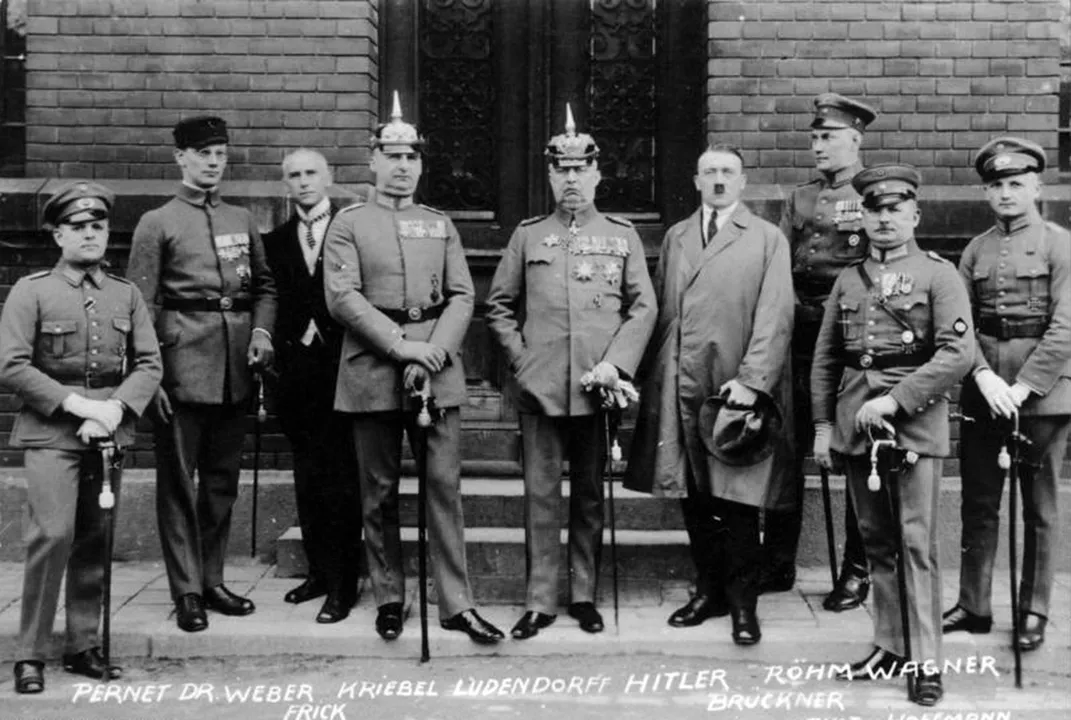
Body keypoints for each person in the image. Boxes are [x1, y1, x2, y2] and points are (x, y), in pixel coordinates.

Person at [323, 93, 503, 644]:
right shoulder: (348, 223)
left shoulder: (438, 223)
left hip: (437, 369)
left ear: (421, 164)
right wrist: (402, 347)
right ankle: (389, 597)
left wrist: (435, 352)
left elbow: (462, 296)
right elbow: (343, 298)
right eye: (392, 155)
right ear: (373, 161)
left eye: (412, 157)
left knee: (443, 488)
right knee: (377, 490)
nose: (402, 167)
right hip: (373, 367)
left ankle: (455, 602)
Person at [486, 105, 656, 640]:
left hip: (597, 389)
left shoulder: (622, 235)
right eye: (562, 170)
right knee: (540, 496)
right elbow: (499, 306)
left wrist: (616, 364)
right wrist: (522, 361)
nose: (572, 179)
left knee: (587, 495)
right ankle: (539, 600)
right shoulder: (529, 235)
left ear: (599, 174)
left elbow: (643, 308)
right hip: (540, 389)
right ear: (551, 175)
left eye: (582, 169)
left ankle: (583, 593)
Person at [811, 164, 975, 706]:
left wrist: (896, 399)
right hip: (858, 424)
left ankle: (926, 661)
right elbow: (827, 359)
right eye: (875, 210)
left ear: (914, 215)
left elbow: (958, 354)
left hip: (913, 424)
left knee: (915, 544)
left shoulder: (938, 275)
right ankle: (890, 645)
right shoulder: (848, 279)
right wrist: (822, 428)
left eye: (895, 210)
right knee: (877, 542)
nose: (884, 219)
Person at [624, 143, 793, 646]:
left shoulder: (766, 238)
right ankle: (709, 590)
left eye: (728, 172)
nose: (719, 180)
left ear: (742, 183)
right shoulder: (677, 236)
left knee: (738, 499)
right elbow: (659, 310)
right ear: (697, 182)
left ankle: (743, 602)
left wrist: (753, 381)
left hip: (732, 385)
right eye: (710, 172)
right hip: (682, 381)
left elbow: (776, 315)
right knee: (695, 495)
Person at [0, 182, 162, 693]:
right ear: (57, 234)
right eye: (78, 227)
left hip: (107, 432)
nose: (90, 236)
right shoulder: (32, 290)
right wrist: (78, 405)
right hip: (51, 432)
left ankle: (83, 645)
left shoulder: (126, 293)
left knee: (95, 537)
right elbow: (11, 364)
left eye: (98, 226)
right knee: (53, 535)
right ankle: (30, 653)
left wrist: (113, 408)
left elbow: (150, 362)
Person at [127, 116, 277, 633]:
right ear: (180, 158)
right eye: (203, 153)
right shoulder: (158, 221)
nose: (214, 162)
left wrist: (262, 335)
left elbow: (264, 289)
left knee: (221, 482)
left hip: (236, 368)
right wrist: (151, 379)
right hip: (180, 367)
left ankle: (212, 579)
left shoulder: (241, 218)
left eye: (220, 153)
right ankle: (186, 589)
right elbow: (139, 304)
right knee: (178, 485)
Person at [942, 137, 1071, 652]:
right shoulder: (975, 249)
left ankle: (1033, 609)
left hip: (1041, 395)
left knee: (1039, 508)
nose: (1006, 193)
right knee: (978, 503)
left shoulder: (1061, 244)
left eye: (1016, 183)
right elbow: (958, 325)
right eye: (996, 185)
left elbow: (1065, 326)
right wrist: (981, 377)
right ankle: (974, 604)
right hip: (984, 392)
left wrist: (1021, 385)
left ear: (1037, 187)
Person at [767, 93, 878, 608]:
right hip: (801, 332)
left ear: (856, 139)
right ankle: (777, 560)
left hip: (852, 336)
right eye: (814, 137)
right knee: (788, 445)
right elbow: (780, 266)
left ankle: (858, 569)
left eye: (828, 136)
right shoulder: (801, 198)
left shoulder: (875, 194)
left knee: (854, 445)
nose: (819, 146)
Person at [263, 149, 362, 623]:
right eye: (294, 176)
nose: (303, 182)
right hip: (298, 376)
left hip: (343, 369)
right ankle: (319, 573)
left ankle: (344, 584)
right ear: (286, 184)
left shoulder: (351, 228)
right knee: (308, 476)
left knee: (342, 478)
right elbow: (271, 299)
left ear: (329, 178)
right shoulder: (276, 240)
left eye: (311, 174)